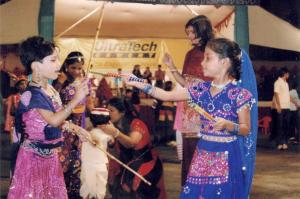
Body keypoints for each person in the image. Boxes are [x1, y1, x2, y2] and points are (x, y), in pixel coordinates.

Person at [123, 38, 256, 199]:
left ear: (224, 62)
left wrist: (228, 125)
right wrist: (136, 82)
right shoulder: (201, 89)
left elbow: (245, 128)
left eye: (208, 58)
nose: (202, 63)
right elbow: (165, 95)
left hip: (227, 155)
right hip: (202, 153)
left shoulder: (239, 95)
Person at [8, 36, 89, 199]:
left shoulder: (50, 90)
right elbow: (53, 120)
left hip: (50, 158)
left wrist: (75, 128)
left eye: (58, 59)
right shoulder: (32, 94)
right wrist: (76, 99)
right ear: (36, 66)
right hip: (33, 160)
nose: (59, 64)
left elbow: (57, 121)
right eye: (53, 60)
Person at [163, 15, 214, 185]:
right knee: (190, 155)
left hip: (209, 111)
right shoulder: (190, 54)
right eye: (188, 33)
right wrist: (171, 66)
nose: (189, 36)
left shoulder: (215, 51)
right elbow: (186, 83)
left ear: (202, 30)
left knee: (207, 156)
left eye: (192, 32)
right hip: (189, 112)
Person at [99, 97, 166, 199]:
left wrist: (115, 133)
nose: (108, 113)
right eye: (107, 110)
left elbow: (131, 143)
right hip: (127, 164)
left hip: (145, 164)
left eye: (111, 110)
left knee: (134, 191)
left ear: (122, 112)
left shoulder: (137, 124)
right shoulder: (113, 124)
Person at [53, 51, 94, 198]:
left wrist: (97, 118)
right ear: (66, 66)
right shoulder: (59, 80)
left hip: (79, 125)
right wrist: (59, 82)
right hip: (63, 125)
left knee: (77, 162)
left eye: (79, 68)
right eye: (73, 68)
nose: (77, 71)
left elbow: (89, 103)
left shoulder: (85, 81)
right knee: (61, 162)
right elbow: (52, 100)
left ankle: (73, 194)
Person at [80, 108, 114, 199]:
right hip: (100, 165)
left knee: (87, 188)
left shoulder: (86, 134)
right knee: (100, 190)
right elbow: (112, 143)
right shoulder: (106, 136)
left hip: (87, 165)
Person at [4, 77, 28, 176]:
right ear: (17, 86)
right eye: (21, 84)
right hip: (16, 127)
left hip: (27, 128)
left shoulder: (29, 96)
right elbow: (12, 112)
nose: (24, 85)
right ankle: (13, 175)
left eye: (25, 83)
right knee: (15, 150)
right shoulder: (14, 97)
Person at [273, 67, 290, 150]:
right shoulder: (277, 82)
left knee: (286, 125)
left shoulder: (286, 83)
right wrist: (278, 106)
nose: (288, 75)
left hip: (287, 107)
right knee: (280, 125)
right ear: (284, 74)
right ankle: (279, 143)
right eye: (287, 73)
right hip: (281, 107)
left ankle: (285, 142)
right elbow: (276, 94)